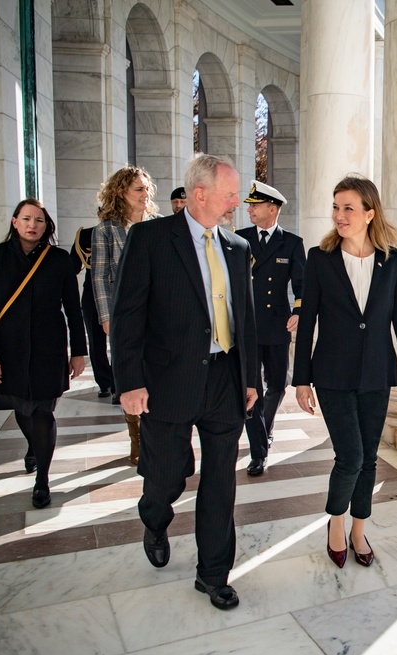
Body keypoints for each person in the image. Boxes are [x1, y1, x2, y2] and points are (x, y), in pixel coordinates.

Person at [110, 153, 258, 610]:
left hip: (223, 381)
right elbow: (127, 315)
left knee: (220, 482)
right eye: (230, 193)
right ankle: (154, 519)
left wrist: (250, 377)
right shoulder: (150, 238)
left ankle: (213, 573)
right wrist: (130, 382)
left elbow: (245, 318)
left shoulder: (237, 247)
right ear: (200, 194)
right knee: (166, 475)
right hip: (167, 382)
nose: (237, 201)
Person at [293, 174, 397, 571]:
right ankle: (335, 523)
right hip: (331, 373)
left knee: (369, 458)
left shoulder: (393, 260)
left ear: (369, 213)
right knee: (349, 455)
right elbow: (307, 319)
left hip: (376, 374)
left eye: (348, 207)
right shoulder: (320, 259)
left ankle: (359, 530)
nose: (339, 215)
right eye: (335, 207)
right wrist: (300, 379)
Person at [0, 199, 87, 509]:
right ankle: (34, 448)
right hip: (8, 349)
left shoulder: (59, 259)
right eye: (26, 219)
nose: (32, 225)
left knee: (41, 410)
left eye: (39, 220)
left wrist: (79, 352)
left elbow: (74, 310)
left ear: (46, 226)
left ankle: (43, 480)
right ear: (15, 222)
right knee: (22, 408)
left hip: (48, 348)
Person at [235, 180, 305, 477]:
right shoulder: (238, 239)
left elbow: (302, 284)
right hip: (247, 327)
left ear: (272, 208)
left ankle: (264, 428)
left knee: (279, 384)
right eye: (249, 205)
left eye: (255, 205)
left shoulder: (291, 243)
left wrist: (299, 310)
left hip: (276, 324)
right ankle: (258, 452)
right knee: (250, 388)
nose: (249, 209)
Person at [94, 164, 159, 465]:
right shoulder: (106, 230)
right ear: (121, 192)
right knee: (130, 374)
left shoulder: (159, 225)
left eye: (147, 188)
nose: (145, 194)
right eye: (138, 189)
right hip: (124, 317)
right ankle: (135, 435)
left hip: (157, 316)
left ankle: (154, 433)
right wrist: (108, 318)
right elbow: (100, 278)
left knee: (155, 374)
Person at [70, 224, 113, 398]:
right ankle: (104, 382)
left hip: (119, 293)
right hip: (92, 294)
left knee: (121, 342)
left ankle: (118, 383)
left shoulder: (127, 231)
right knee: (96, 341)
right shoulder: (85, 235)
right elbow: (72, 267)